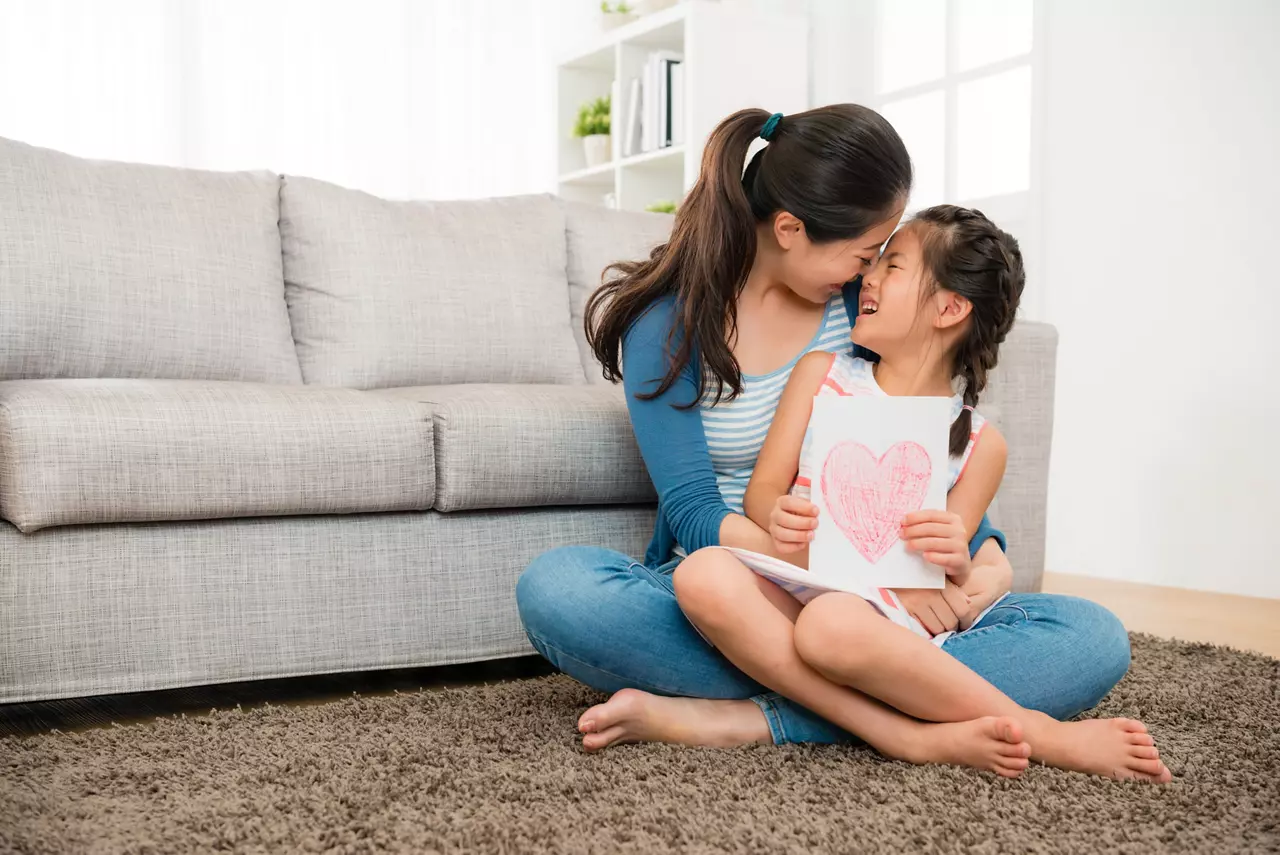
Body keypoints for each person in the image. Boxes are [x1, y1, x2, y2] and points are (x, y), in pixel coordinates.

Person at [516, 106, 1142, 777]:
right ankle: (910, 719)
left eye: (882, 259)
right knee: (560, 592)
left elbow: (924, 471)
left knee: (1095, 635)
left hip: (880, 608)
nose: (867, 274)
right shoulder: (667, 325)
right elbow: (695, 512)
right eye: (865, 252)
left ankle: (751, 713)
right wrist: (836, 566)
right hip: (748, 582)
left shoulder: (856, 316)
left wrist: (985, 565)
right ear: (790, 229)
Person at [673, 204, 1168, 781]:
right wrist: (777, 515)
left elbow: (946, 574)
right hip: (796, 575)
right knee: (700, 574)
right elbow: (762, 494)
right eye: (874, 263)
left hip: (872, 620)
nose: (870, 277)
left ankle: (1035, 732)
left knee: (829, 625)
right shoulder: (821, 373)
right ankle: (913, 732)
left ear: (950, 307)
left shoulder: (981, 445)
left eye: (893, 266)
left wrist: (954, 557)